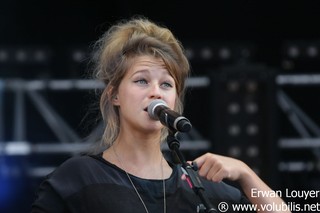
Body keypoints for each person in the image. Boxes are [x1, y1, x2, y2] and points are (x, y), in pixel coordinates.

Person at [31, 16, 291, 213]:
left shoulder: (200, 189)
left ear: (175, 101)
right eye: (142, 81)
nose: (156, 92)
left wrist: (246, 174)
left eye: (166, 84)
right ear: (114, 95)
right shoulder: (79, 178)